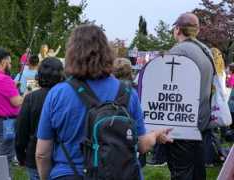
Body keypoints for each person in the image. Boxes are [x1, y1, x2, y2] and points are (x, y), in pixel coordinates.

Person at [35, 25, 172, 180]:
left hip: (69, 173)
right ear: (107, 53)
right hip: (118, 174)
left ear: (72, 54)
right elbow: (141, 145)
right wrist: (155, 135)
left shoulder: (57, 94)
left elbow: (42, 153)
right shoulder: (127, 93)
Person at [166, 12, 214, 180]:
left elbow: (167, 87)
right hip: (201, 121)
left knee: (182, 171)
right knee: (197, 170)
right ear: (197, 31)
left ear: (177, 29)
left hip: (182, 124)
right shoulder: (206, 51)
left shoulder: (178, 51)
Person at [15, 57, 64, 180]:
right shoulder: (66, 98)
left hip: (38, 156)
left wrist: (21, 156)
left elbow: (21, 131)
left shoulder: (32, 98)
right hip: (59, 157)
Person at [0, 48, 23, 164]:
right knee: (6, 157)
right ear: (3, 62)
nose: (10, 66)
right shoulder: (5, 79)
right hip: (6, 123)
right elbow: (17, 102)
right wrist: (27, 95)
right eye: (10, 63)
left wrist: (13, 87)